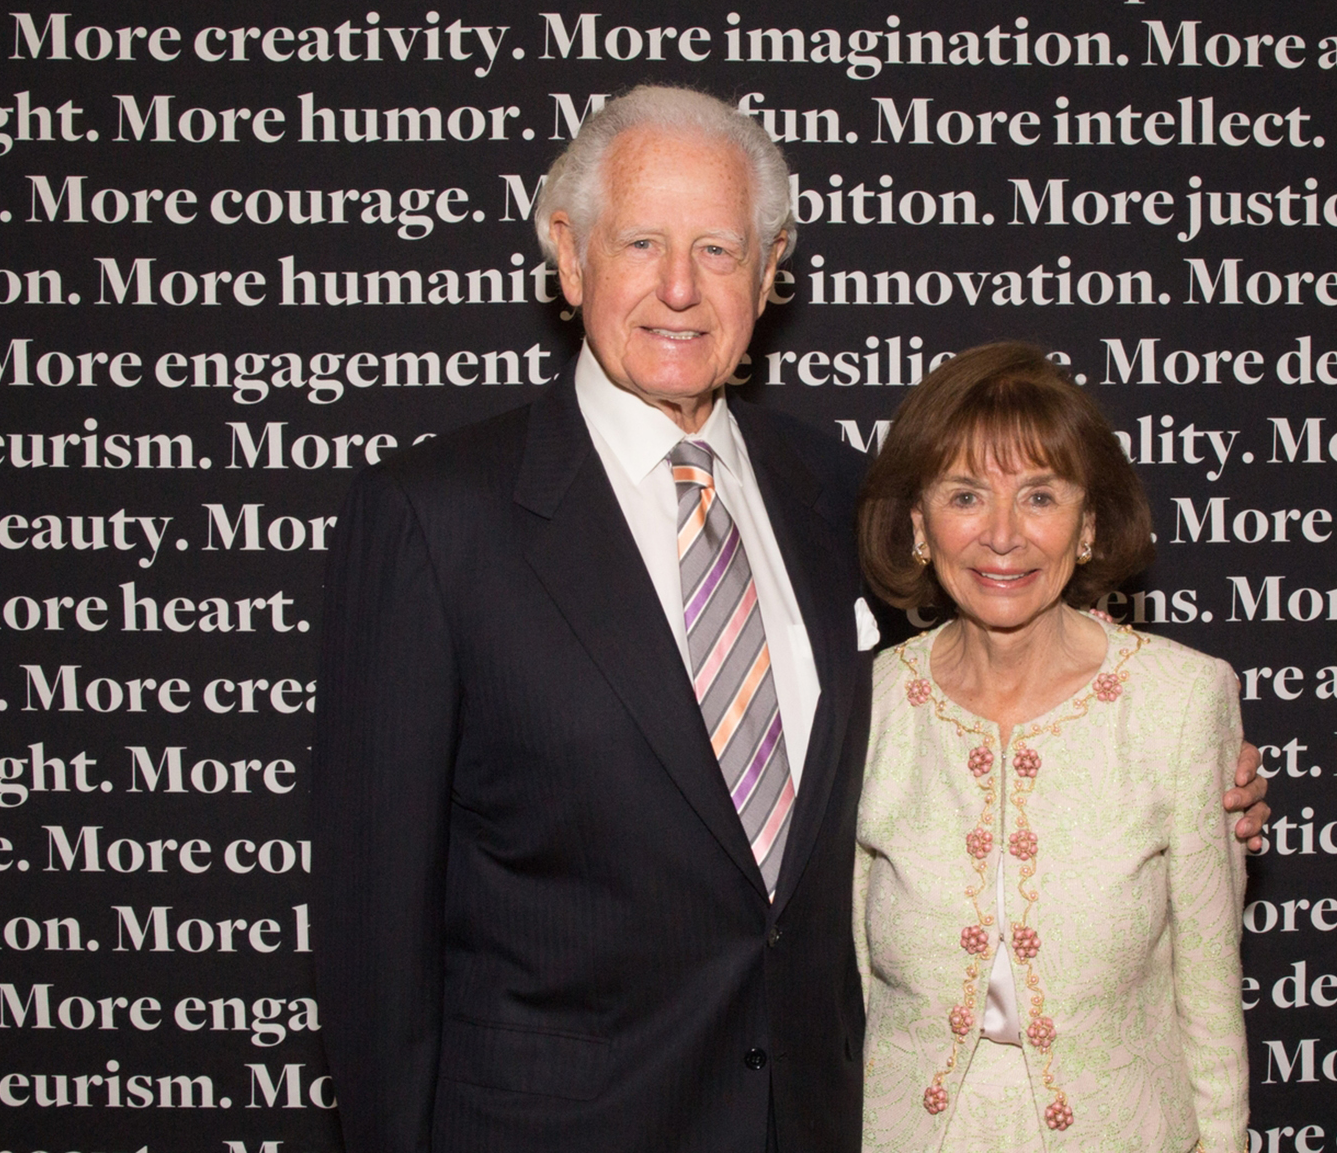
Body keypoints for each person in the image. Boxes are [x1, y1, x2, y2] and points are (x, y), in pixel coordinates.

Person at [311, 87, 1267, 1153]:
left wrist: (1187, 779)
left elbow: (959, 721)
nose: (681, 287)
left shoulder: (836, 495)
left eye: (719, 249)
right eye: (642, 242)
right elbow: (372, 937)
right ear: (569, 256)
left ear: (769, 277)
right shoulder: (433, 521)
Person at [853, 343, 1249, 1152]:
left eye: (1039, 495)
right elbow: (845, 973)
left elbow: (1209, 993)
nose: (1003, 535)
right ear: (920, 524)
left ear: (1091, 523)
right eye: (966, 495)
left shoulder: (1180, 700)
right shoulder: (866, 706)